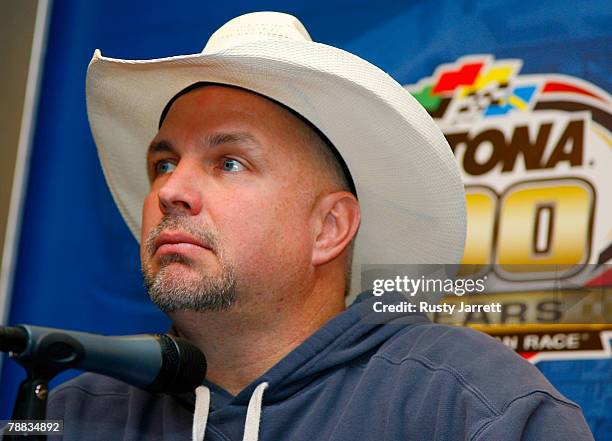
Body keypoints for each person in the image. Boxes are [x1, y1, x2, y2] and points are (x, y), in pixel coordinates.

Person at [46, 11, 594, 441]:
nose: (169, 191)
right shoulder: (68, 416)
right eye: (164, 164)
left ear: (330, 227)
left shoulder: (473, 407)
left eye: (229, 162)